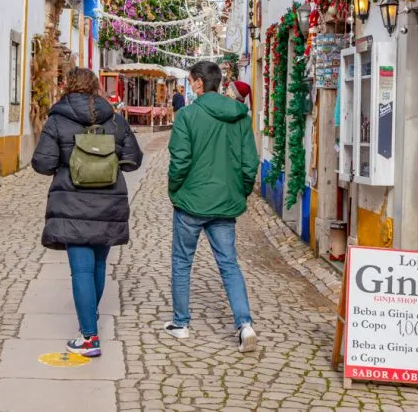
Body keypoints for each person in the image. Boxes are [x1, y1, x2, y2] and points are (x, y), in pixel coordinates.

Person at [32, 67, 143, 358]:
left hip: (72, 204)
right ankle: (89, 317)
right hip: (108, 203)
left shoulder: (57, 120)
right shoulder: (115, 120)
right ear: (96, 87)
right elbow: (133, 159)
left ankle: (90, 337)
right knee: (97, 266)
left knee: (80, 268)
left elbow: (42, 164)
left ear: (68, 86)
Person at [164, 60, 259, 352]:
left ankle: (181, 323)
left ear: (197, 84)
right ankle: (244, 324)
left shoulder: (187, 116)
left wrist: (175, 190)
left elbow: (180, 161)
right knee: (229, 264)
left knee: (182, 262)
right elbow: (249, 164)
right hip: (225, 204)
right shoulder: (240, 117)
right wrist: (239, 193)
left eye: (190, 81)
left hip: (191, 203)